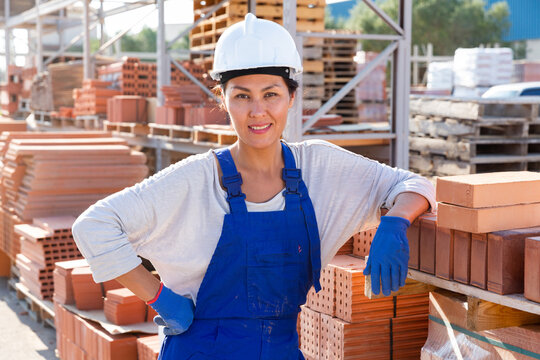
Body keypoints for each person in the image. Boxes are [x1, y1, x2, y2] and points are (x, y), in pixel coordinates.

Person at [72, 13, 435, 360]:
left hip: (280, 350)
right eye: (242, 95)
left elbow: (413, 183)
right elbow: (94, 225)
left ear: (292, 97)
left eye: (271, 94)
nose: (258, 111)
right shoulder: (195, 179)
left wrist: (396, 222)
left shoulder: (321, 168)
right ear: (223, 101)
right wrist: (160, 299)